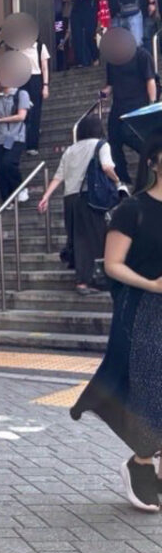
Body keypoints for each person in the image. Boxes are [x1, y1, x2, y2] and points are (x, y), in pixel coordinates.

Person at [70, 136, 162, 512]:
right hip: (142, 311)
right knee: (148, 387)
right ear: (153, 161)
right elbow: (113, 265)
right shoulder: (132, 209)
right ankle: (141, 463)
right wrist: (153, 284)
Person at [37, 115, 119, 295]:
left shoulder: (70, 150)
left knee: (78, 237)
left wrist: (46, 196)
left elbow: (59, 175)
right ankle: (87, 281)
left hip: (70, 199)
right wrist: (117, 181)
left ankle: (83, 275)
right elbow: (107, 167)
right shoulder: (101, 145)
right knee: (94, 238)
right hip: (89, 197)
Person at [103, 42, 158, 185]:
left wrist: (152, 104)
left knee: (130, 134)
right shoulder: (113, 61)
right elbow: (110, 84)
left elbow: (150, 80)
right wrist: (104, 93)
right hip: (118, 107)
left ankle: (154, 156)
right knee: (113, 140)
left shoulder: (141, 55)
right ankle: (122, 178)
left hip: (138, 106)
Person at [0, 82, 32, 203]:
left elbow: (21, 116)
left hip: (14, 135)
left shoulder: (21, 94)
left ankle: (20, 188)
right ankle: (6, 199)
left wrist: (0, 120)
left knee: (8, 162)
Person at [17, 38, 51, 156]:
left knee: (35, 112)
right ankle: (24, 141)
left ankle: (32, 145)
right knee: (23, 112)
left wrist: (45, 85)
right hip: (21, 80)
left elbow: (45, 68)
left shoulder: (40, 46)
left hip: (35, 79)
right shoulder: (18, 46)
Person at [64, 0, 101, 68]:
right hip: (76, 12)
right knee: (77, 36)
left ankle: (95, 58)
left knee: (90, 34)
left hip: (90, 10)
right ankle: (79, 62)